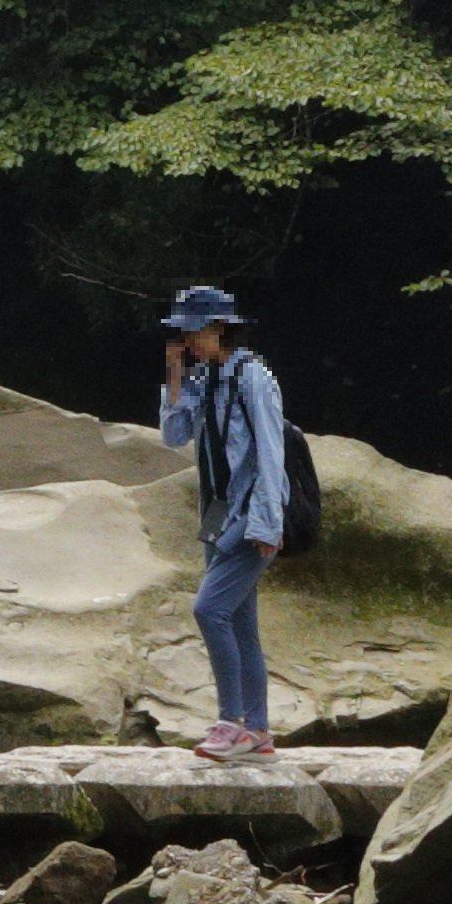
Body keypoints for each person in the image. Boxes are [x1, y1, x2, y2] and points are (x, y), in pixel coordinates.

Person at [160, 283, 290, 760]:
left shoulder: (254, 378)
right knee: (240, 623)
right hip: (217, 517)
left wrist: (266, 525)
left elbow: (272, 453)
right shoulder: (206, 379)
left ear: (219, 329)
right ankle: (257, 732)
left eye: (193, 332)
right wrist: (174, 377)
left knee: (208, 610)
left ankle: (230, 722)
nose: (188, 341)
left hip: (248, 516)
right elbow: (174, 434)